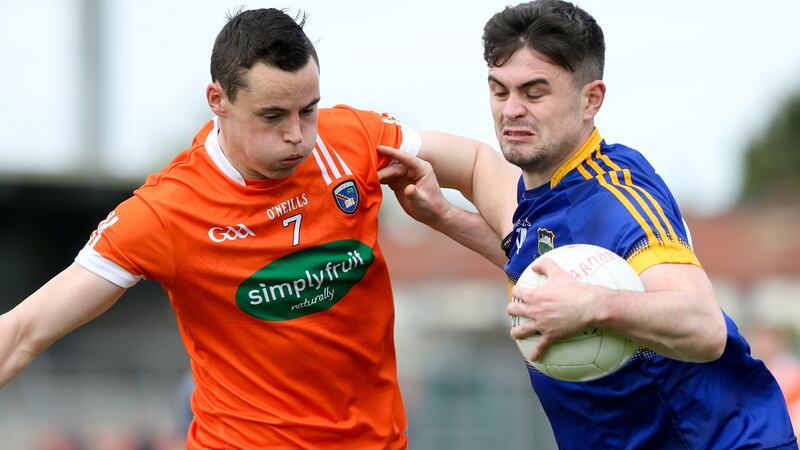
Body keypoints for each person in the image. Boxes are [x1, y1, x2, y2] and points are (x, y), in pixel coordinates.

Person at [0, 8, 518, 449]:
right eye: (272, 116)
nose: (298, 136)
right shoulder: (166, 211)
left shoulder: (352, 139)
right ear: (218, 99)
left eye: (308, 110)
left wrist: (536, 250)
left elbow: (475, 163)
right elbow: (23, 331)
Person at [380, 1, 798, 448]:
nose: (511, 111)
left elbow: (704, 327)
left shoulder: (617, 198)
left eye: (534, 93)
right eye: (499, 92)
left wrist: (592, 306)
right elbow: (486, 181)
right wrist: (442, 215)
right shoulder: (542, 190)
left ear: (590, 100)